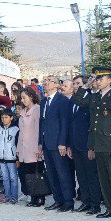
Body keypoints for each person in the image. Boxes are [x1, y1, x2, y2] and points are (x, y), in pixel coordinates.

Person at [74, 67, 111, 220]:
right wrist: (86, 86)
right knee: (103, 179)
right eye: (96, 79)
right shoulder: (95, 97)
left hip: (110, 143)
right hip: (98, 143)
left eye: (100, 79)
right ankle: (110, 208)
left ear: (109, 80)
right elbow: (78, 100)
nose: (97, 81)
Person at [38, 75, 74, 212]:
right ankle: (58, 200)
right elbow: (42, 124)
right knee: (51, 173)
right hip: (47, 143)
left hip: (58, 143)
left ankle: (68, 201)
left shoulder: (62, 101)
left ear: (57, 84)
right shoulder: (44, 102)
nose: (46, 83)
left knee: (62, 173)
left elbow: (65, 123)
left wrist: (62, 143)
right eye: (45, 81)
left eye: (49, 81)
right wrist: (40, 142)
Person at [67, 75, 101, 214]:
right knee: (81, 175)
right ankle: (86, 201)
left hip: (87, 143)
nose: (76, 86)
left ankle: (95, 204)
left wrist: (91, 146)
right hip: (75, 144)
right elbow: (70, 124)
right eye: (74, 84)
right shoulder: (73, 101)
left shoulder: (90, 99)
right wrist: (69, 144)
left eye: (79, 83)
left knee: (91, 175)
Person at [18, 87, 45, 207]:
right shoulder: (23, 112)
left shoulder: (37, 110)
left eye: (24, 97)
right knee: (28, 173)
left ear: (31, 97)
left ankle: (39, 197)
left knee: (36, 173)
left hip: (34, 147)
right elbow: (21, 132)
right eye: (21, 98)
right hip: (24, 148)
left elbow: (39, 130)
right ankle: (32, 196)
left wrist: (39, 146)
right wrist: (18, 149)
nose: (22, 100)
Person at [0, 108, 20, 204]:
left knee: (13, 178)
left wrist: (17, 159)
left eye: (6, 117)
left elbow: (17, 145)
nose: (4, 119)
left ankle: (14, 196)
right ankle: (7, 196)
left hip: (12, 158)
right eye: (2, 117)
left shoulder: (16, 129)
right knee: (5, 178)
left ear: (11, 118)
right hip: (1, 158)